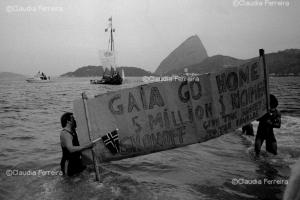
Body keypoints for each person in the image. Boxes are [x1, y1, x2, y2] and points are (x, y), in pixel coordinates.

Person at [60, 112, 94, 176]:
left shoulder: (72, 131)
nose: (75, 120)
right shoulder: (65, 133)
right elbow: (71, 149)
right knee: (71, 183)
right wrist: (86, 146)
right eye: (73, 118)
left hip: (77, 161)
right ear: (68, 121)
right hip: (69, 164)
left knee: (86, 178)